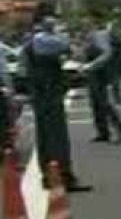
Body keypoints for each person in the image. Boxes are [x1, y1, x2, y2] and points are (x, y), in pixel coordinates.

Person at [22, 17, 92, 191]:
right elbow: (70, 48)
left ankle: (49, 175)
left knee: (45, 136)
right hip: (49, 93)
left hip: (41, 93)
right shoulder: (43, 40)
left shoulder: (30, 41)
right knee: (57, 136)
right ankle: (63, 176)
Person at [82, 16, 121, 144]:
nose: (84, 26)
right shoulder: (89, 36)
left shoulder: (99, 36)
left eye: (87, 23)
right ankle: (103, 132)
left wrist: (91, 65)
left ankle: (120, 130)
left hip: (102, 74)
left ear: (94, 23)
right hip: (94, 74)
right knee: (96, 104)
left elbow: (107, 53)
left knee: (105, 103)